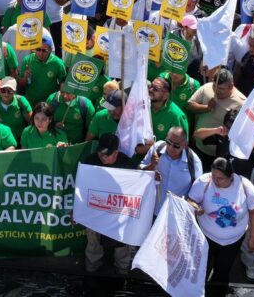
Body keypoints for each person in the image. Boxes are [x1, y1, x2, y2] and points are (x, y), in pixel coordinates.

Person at [187, 157, 254, 296]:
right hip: (206, 237)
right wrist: (196, 207)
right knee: (201, 268)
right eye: (213, 176)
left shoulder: (245, 187)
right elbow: (190, 200)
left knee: (222, 272)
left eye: (220, 178)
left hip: (232, 242)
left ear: (231, 177)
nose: (215, 180)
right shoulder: (204, 182)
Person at [80, 133, 137, 274]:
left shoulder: (128, 165)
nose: (102, 157)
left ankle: (122, 271)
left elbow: (139, 187)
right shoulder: (89, 162)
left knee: (121, 243)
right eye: (100, 153)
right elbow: (81, 187)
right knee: (93, 241)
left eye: (106, 154)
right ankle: (91, 269)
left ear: (116, 152)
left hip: (119, 211)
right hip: (95, 209)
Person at [144, 127, 202, 210]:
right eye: (168, 142)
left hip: (177, 214)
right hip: (151, 209)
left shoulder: (193, 161)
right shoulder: (156, 148)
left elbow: (198, 190)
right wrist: (151, 166)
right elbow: (139, 170)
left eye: (176, 145)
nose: (171, 147)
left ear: (185, 145)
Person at [17, 35, 66, 106]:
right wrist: (25, 78)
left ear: (50, 49)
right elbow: (21, 84)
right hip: (30, 103)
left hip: (49, 103)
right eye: (38, 49)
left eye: (44, 51)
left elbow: (63, 83)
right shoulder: (28, 60)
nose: (41, 53)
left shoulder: (58, 63)